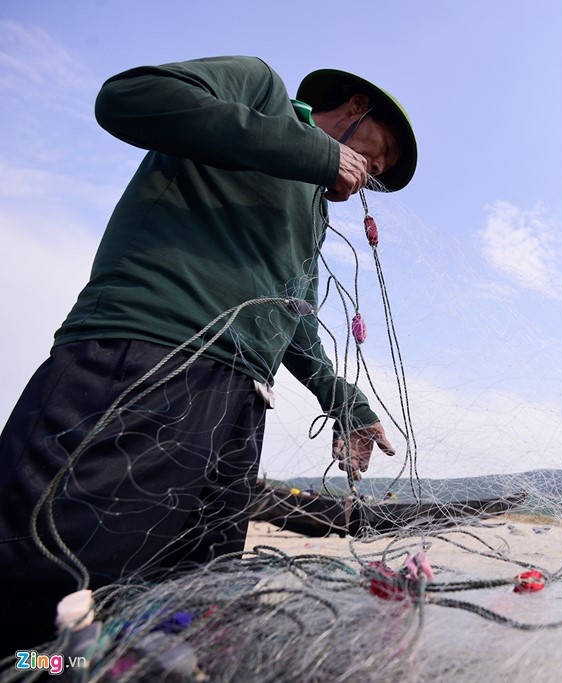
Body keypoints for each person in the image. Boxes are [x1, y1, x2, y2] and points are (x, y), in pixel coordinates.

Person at [0, 55, 418, 654]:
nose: (375, 172)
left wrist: (345, 399)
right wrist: (315, 155)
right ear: (356, 108)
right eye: (380, 153)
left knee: (183, 596)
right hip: (146, 359)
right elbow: (126, 98)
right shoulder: (260, 91)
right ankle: (29, 664)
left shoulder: (315, 212)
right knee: (50, 578)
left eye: (382, 173)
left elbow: (295, 321)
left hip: (240, 409)